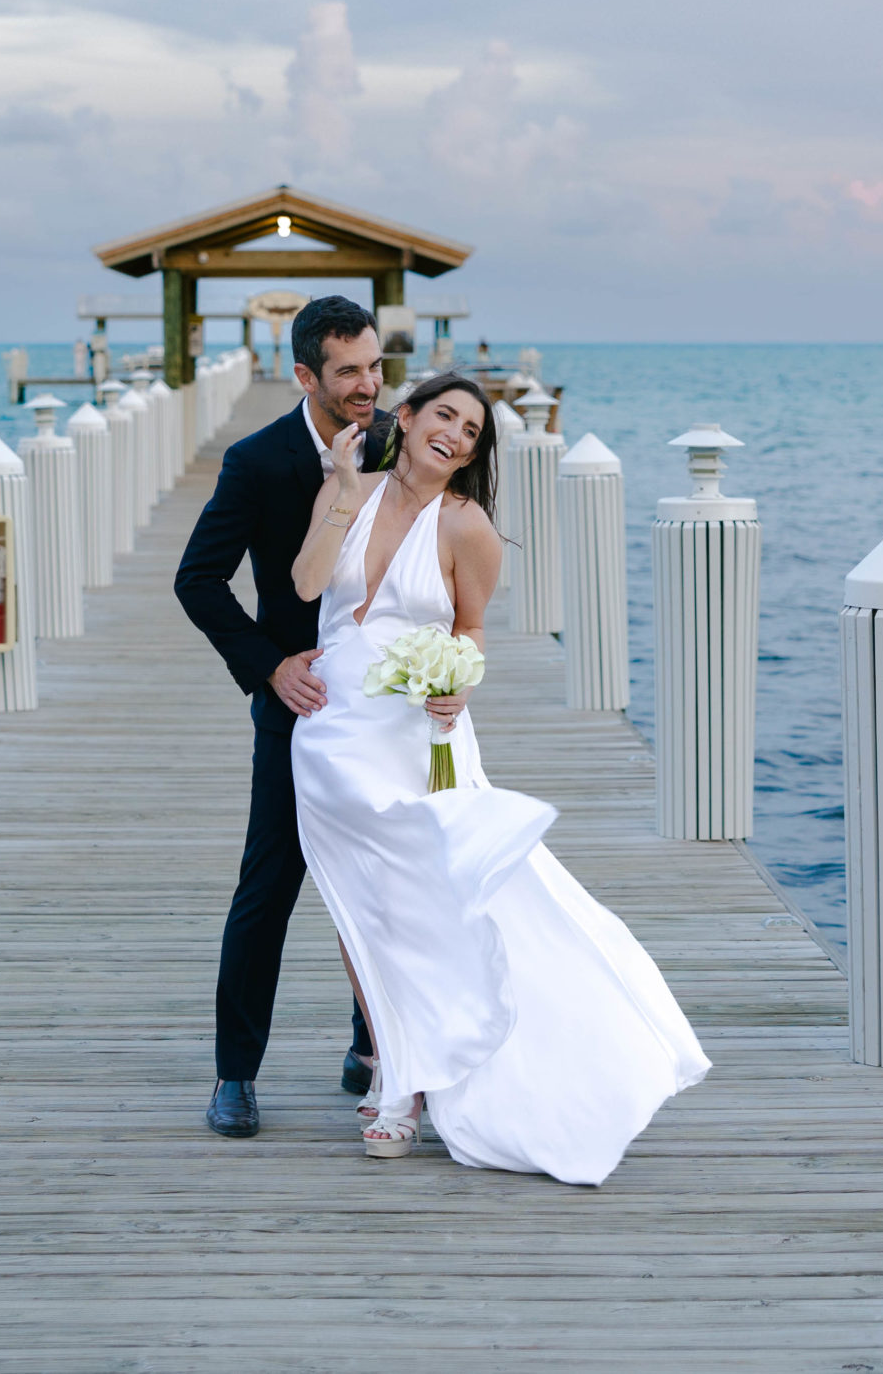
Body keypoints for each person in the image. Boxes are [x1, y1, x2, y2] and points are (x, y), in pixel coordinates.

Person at [287, 371, 710, 1182]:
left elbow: (472, 628)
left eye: (472, 431)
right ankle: (394, 1072)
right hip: (331, 738)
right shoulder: (350, 490)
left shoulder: (466, 524)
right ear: (405, 419)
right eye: (442, 414)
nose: (454, 434)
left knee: (433, 898)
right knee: (357, 906)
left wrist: (459, 684)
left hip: (418, 734)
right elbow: (309, 585)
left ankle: (422, 1072)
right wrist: (342, 485)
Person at [175, 295, 392, 1139]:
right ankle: (235, 1075)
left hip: (383, 705)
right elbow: (198, 578)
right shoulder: (257, 461)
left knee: (383, 885)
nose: (369, 384)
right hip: (297, 707)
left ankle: (371, 1046)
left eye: (376, 365)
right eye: (349, 372)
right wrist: (269, 664)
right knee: (268, 888)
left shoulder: (401, 445)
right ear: (306, 375)